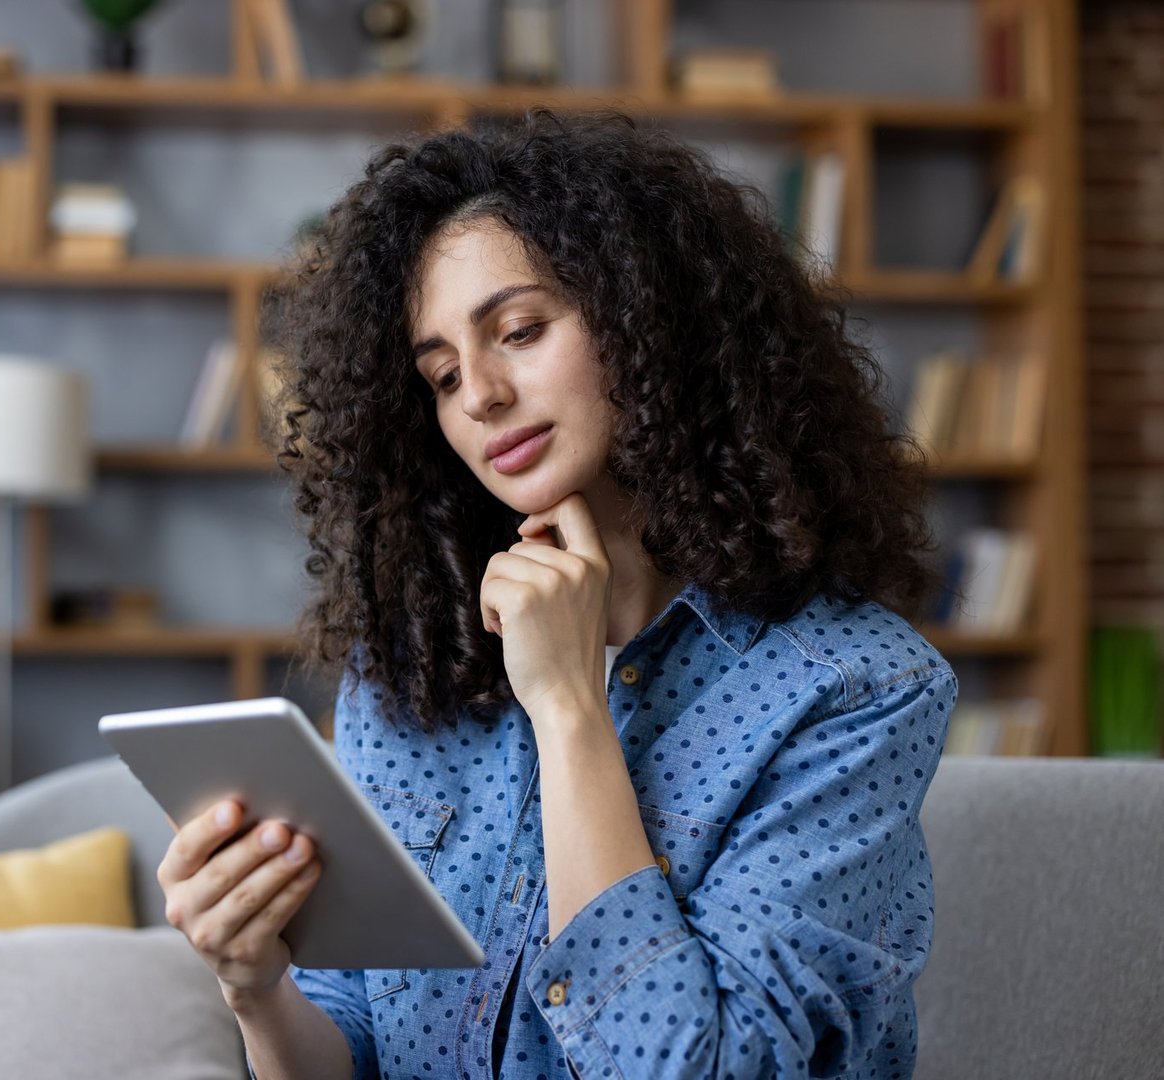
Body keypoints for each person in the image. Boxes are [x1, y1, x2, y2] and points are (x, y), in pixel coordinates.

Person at [157, 107, 958, 1079]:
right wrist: (256, 989)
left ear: (648, 319)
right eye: (443, 375)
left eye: (521, 330)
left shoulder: (852, 690)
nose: (482, 394)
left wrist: (570, 708)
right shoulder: (409, 683)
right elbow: (356, 1052)